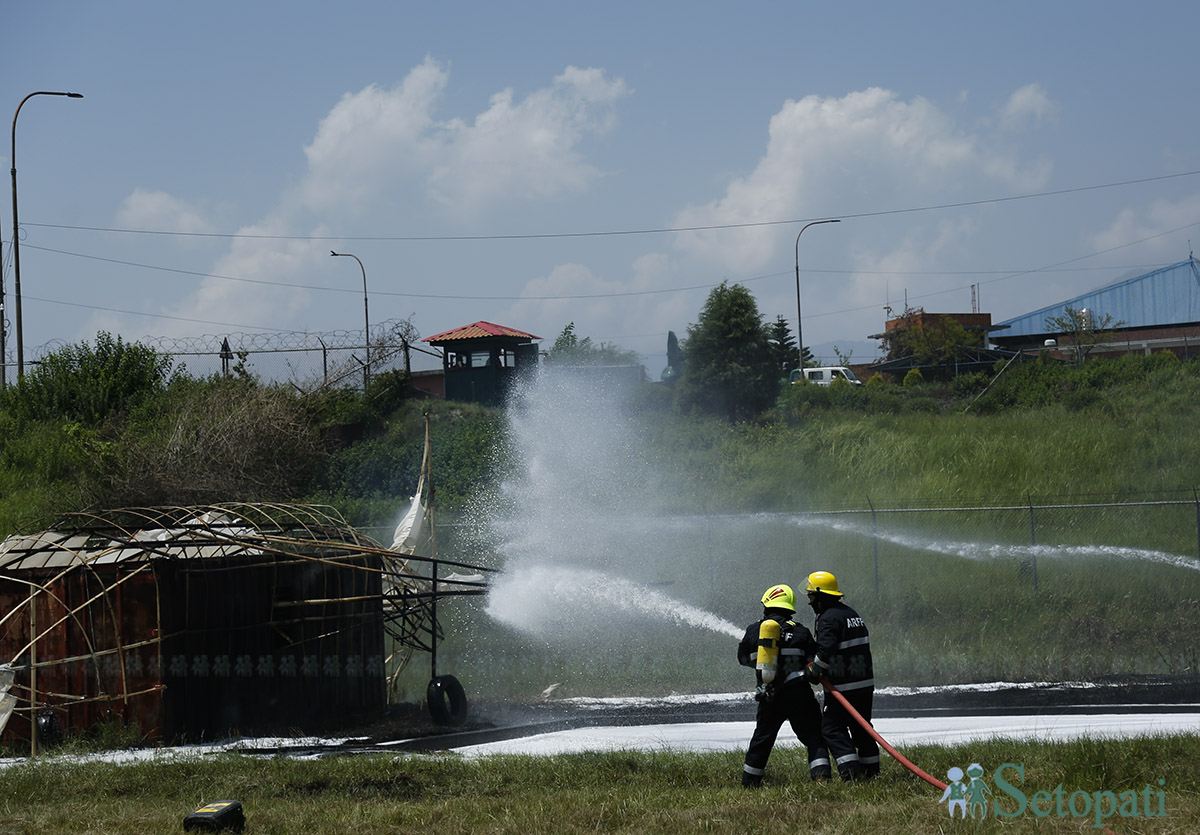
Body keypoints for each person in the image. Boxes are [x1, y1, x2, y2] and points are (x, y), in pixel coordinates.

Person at [737, 583, 830, 787]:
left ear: (767, 606)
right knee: (814, 737)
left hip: (770, 694)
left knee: (762, 739)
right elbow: (814, 664)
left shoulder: (755, 630)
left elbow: (742, 658)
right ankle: (822, 779)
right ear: (790, 609)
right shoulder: (802, 633)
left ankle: (750, 783)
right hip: (799, 694)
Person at [803, 570, 879, 781]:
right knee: (862, 728)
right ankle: (872, 774)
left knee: (832, 729)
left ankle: (852, 775)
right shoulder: (851, 614)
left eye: (811, 596)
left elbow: (825, 652)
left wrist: (813, 671)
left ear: (821, 595)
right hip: (864, 683)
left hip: (844, 687)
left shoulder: (828, 619)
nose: (810, 602)